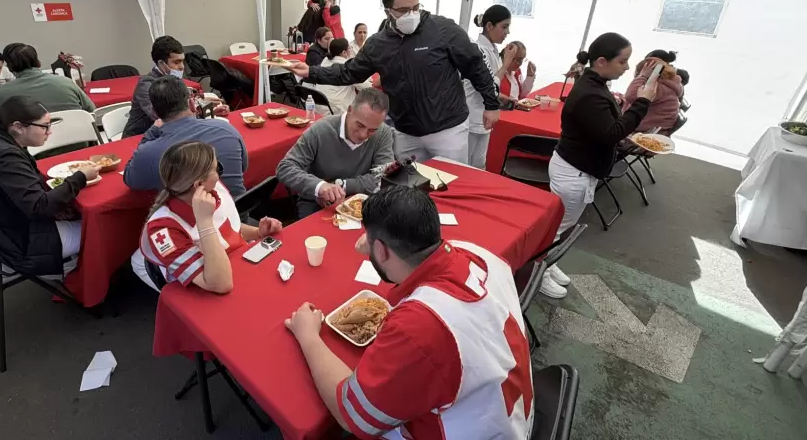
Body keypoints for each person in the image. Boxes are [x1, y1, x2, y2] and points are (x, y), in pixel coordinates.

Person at [284, 186, 534, 439]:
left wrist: (309, 336)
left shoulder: (418, 327)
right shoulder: (479, 253)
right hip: (508, 416)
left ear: (380, 250)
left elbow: (352, 415)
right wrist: (376, 246)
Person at [285, 0, 499, 165]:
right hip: (406, 131)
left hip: (448, 129)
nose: (413, 14)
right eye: (405, 10)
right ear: (388, 11)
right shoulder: (379, 43)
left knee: (449, 190)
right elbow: (349, 73)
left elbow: (475, 65)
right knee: (410, 189)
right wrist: (311, 72)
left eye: (416, 7)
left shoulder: (443, 29)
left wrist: (491, 104)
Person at [547, 33, 656, 298]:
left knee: (561, 226)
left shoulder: (595, 84)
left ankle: (549, 265)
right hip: (574, 171)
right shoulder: (590, 94)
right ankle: (539, 271)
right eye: (623, 61)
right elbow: (611, 133)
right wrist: (642, 103)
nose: (628, 68)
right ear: (602, 61)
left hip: (579, 167)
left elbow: (605, 129)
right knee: (556, 228)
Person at [0, 96, 99, 276]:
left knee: (73, 214)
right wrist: (80, 178)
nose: (49, 132)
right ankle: (88, 284)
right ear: (18, 126)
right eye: (44, 126)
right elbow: (40, 207)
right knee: (97, 228)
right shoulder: (5, 156)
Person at [134, 141, 282, 293]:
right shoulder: (164, 227)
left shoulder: (211, 192)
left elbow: (226, 229)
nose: (219, 175)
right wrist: (204, 221)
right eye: (217, 169)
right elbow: (221, 284)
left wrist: (258, 233)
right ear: (199, 185)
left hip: (242, 266)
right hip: (212, 290)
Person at [277, 88, 394, 218]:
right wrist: (319, 187)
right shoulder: (321, 130)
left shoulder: (383, 133)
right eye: (360, 125)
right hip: (316, 202)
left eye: (372, 130)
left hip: (361, 201)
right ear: (350, 110)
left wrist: (339, 185)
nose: (363, 135)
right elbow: (285, 168)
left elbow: (383, 177)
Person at [123, 75, 248, 196]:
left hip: (188, 217)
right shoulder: (226, 129)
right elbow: (243, 167)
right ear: (191, 104)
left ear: (155, 112)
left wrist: (153, 130)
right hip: (238, 213)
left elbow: (130, 178)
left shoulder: (148, 153)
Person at [463, 5, 515, 170]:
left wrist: (501, 97)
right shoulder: (479, 50)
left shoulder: (491, 50)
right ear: (489, 26)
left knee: (479, 164)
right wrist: (506, 63)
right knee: (466, 165)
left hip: (483, 115)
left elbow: (493, 89)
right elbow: (488, 85)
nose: (507, 32)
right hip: (472, 115)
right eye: (504, 27)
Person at [0, 43, 95, 114]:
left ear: (9, 67)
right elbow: (91, 110)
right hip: (80, 143)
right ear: (38, 63)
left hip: (30, 148)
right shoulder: (67, 82)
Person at [124, 35, 186, 138]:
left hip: (166, 134)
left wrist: (203, 106)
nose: (182, 66)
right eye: (176, 62)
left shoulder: (176, 80)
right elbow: (160, 115)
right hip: (139, 137)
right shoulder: (146, 85)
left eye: (182, 61)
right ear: (161, 63)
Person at [624, 50, 684, 132]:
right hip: (659, 127)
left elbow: (631, 96)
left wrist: (642, 76)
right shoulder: (670, 83)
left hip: (647, 131)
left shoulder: (657, 86)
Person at [314, 38, 372, 114]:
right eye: (349, 48)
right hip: (337, 111)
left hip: (318, 108)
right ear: (344, 52)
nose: (351, 50)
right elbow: (366, 87)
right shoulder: (346, 66)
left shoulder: (325, 60)